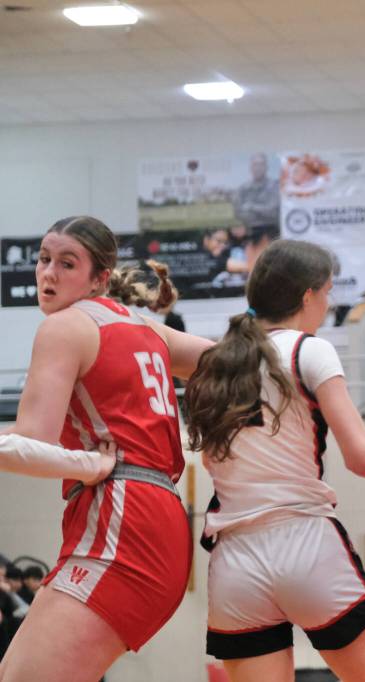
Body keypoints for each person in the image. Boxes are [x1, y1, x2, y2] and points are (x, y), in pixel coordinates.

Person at [186, 238, 365, 682]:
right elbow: (362, 457)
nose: (329, 303)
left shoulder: (218, 361)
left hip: (234, 564)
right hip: (305, 544)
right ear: (307, 296)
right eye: (327, 291)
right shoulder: (309, 349)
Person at [0, 215, 213, 682]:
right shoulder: (145, 327)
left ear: (99, 278)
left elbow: (28, 444)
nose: (48, 273)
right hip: (160, 518)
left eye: (66, 263)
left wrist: (88, 463)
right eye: (44, 259)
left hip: (123, 519)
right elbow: (230, 361)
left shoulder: (64, 327)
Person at [233, 152, 279, 232]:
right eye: (255, 165)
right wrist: (263, 211)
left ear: (266, 167)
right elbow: (238, 213)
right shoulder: (242, 189)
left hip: (272, 231)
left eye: (261, 164)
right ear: (250, 168)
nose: (258, 168)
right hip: (248, 231)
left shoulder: (275, 187)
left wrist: (251, 207)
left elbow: (273, 212)